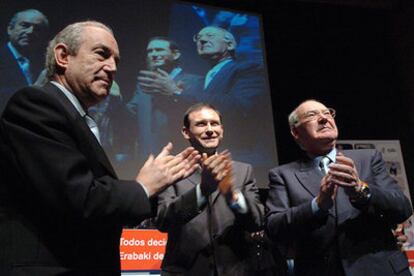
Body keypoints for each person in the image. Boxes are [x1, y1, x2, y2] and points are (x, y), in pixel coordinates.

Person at [0, 21, 200, 275]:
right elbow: (78, 199)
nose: (113, 67)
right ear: (63, 56)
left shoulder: (75, 115)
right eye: (102, 54)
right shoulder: (36, 104)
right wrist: (142, 187)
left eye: (116, 60)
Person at [266, 99, 413, 276]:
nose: (323, 118)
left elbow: (403, 208)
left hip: (380, 269)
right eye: (312, 115)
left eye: (327, 113)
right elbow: (274, 228)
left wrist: (362, 191)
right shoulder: (283, 175)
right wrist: (317, 206)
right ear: (296, 132)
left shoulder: (368, 158)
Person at [155, 103, 268, 276]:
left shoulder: (243, 171)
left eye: (214, 124)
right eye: (201, 124)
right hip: (185, 271)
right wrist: (202, 190)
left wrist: (233, 198)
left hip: (235, 270)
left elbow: (257, 221)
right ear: (186, 132)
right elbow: (164, 221)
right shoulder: (171, 170)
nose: (209, 130)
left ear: (221, 130)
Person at [190, 26, 274, 175]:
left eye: (209, 35)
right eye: (198, 37)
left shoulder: (248, 69)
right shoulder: (200, 80)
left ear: (230, 45)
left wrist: (180, 92)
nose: (202, 40)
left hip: (239, 157)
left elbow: (240, 105)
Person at [127, 37, 201, 165]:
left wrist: (175, 92)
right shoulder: (144, 85)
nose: (154, 54)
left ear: (176, 54)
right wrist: (114, 99)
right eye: (150, 51)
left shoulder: (194, 81)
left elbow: (198, 115)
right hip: (146, 158)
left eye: (159, 50)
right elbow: (131, 113)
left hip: (179, 157)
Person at [0, 9, 49, 113]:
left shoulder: (44, 63)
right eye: (25, 25)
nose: (31, 31)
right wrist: (35, 90)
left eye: (38, 29)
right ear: (10, 29)